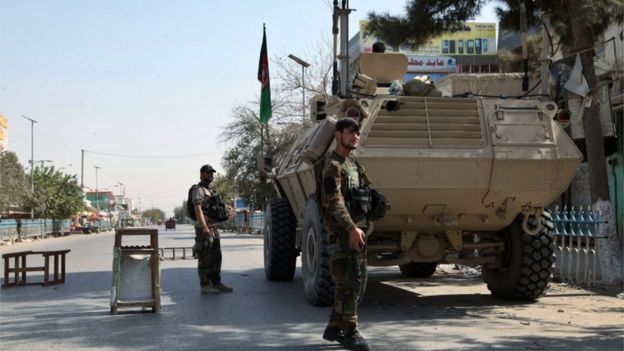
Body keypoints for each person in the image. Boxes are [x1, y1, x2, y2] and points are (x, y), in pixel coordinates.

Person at [320, 118, 371, 351]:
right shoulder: (332, 165)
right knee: (350, 283)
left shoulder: (353, 163)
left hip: (357, 232)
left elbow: (366, 189)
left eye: (358, 133)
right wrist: (350, 228)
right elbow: (334, 201)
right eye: (351, 132)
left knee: (354, 283)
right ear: (338, 134)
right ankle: (350, 331)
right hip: (342, 234)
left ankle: (333, 327)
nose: (355, 137)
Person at [191, 164, 233, 295]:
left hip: (213, 228)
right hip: (204, 228)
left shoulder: (211, 191)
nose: (210, 175)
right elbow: (198, 209)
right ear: (201, 174)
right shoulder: (198, 190)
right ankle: (205, 285)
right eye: (208, 173)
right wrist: (204, 226)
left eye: (212, 173)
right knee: (205, 256)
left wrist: (227, 209)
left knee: (216, 256)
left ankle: (216, 282)